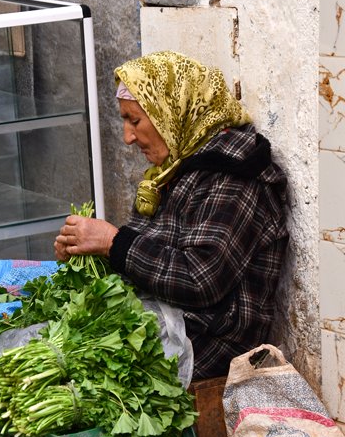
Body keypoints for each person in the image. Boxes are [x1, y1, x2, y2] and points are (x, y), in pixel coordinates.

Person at [54, 50, 288, 382]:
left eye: (134, 120)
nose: (127, 137)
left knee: (73, 371)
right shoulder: (175, 168)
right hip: (168, 320)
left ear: (169, 114)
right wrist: (85, 250)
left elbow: (201, 280)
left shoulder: (235, 177)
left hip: (211, 342)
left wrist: (112, 243)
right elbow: (149, 257)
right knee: (51, 342)